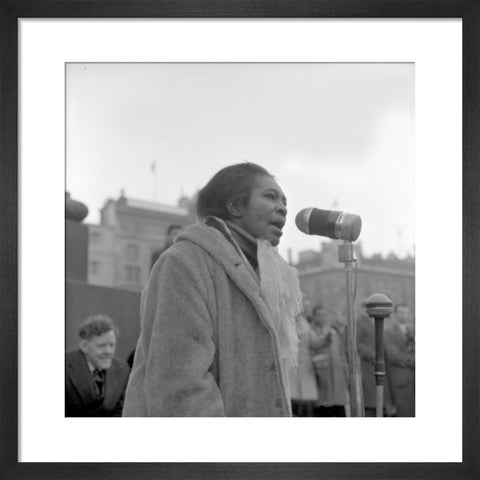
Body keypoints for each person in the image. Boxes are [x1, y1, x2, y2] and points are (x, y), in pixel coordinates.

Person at [123, 162, 303, 417]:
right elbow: (180, 386)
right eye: (270, 196)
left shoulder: (265, 275)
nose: (283, 208)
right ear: (234, 206)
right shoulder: (184, 261)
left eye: (284, 200)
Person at [65, 315, 130, 417]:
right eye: (101, 345)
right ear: (84, 346)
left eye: (112, 345)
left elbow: (120, 412)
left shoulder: (122, 369)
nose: (108, 351)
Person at [309, 305, 349, 417]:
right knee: (323, 409)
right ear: (314, 316)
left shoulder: (333, 332)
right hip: (321, 379)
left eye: (324, 315)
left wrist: (346, 375)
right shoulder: (309, 332)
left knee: (339, 409)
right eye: (319, 315)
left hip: (337, 377)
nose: (322, 317)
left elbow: (341, 354)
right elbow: (313, 346)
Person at [356, 302, 394, 417]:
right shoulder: (360, 323)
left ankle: (382, 409)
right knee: (371, 398)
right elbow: (356, 344)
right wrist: (372, 354)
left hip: (383, 363)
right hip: (369, 364)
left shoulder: (379, 320)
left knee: (382, 395)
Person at [384, 303, 415, 417]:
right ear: (395, 314)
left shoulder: (413, 330)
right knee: (406, 413)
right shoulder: (388, 332)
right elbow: (394, 356)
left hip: (415, 379)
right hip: (401, 380)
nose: (404, 315)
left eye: (406, 312)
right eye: (401, 312)